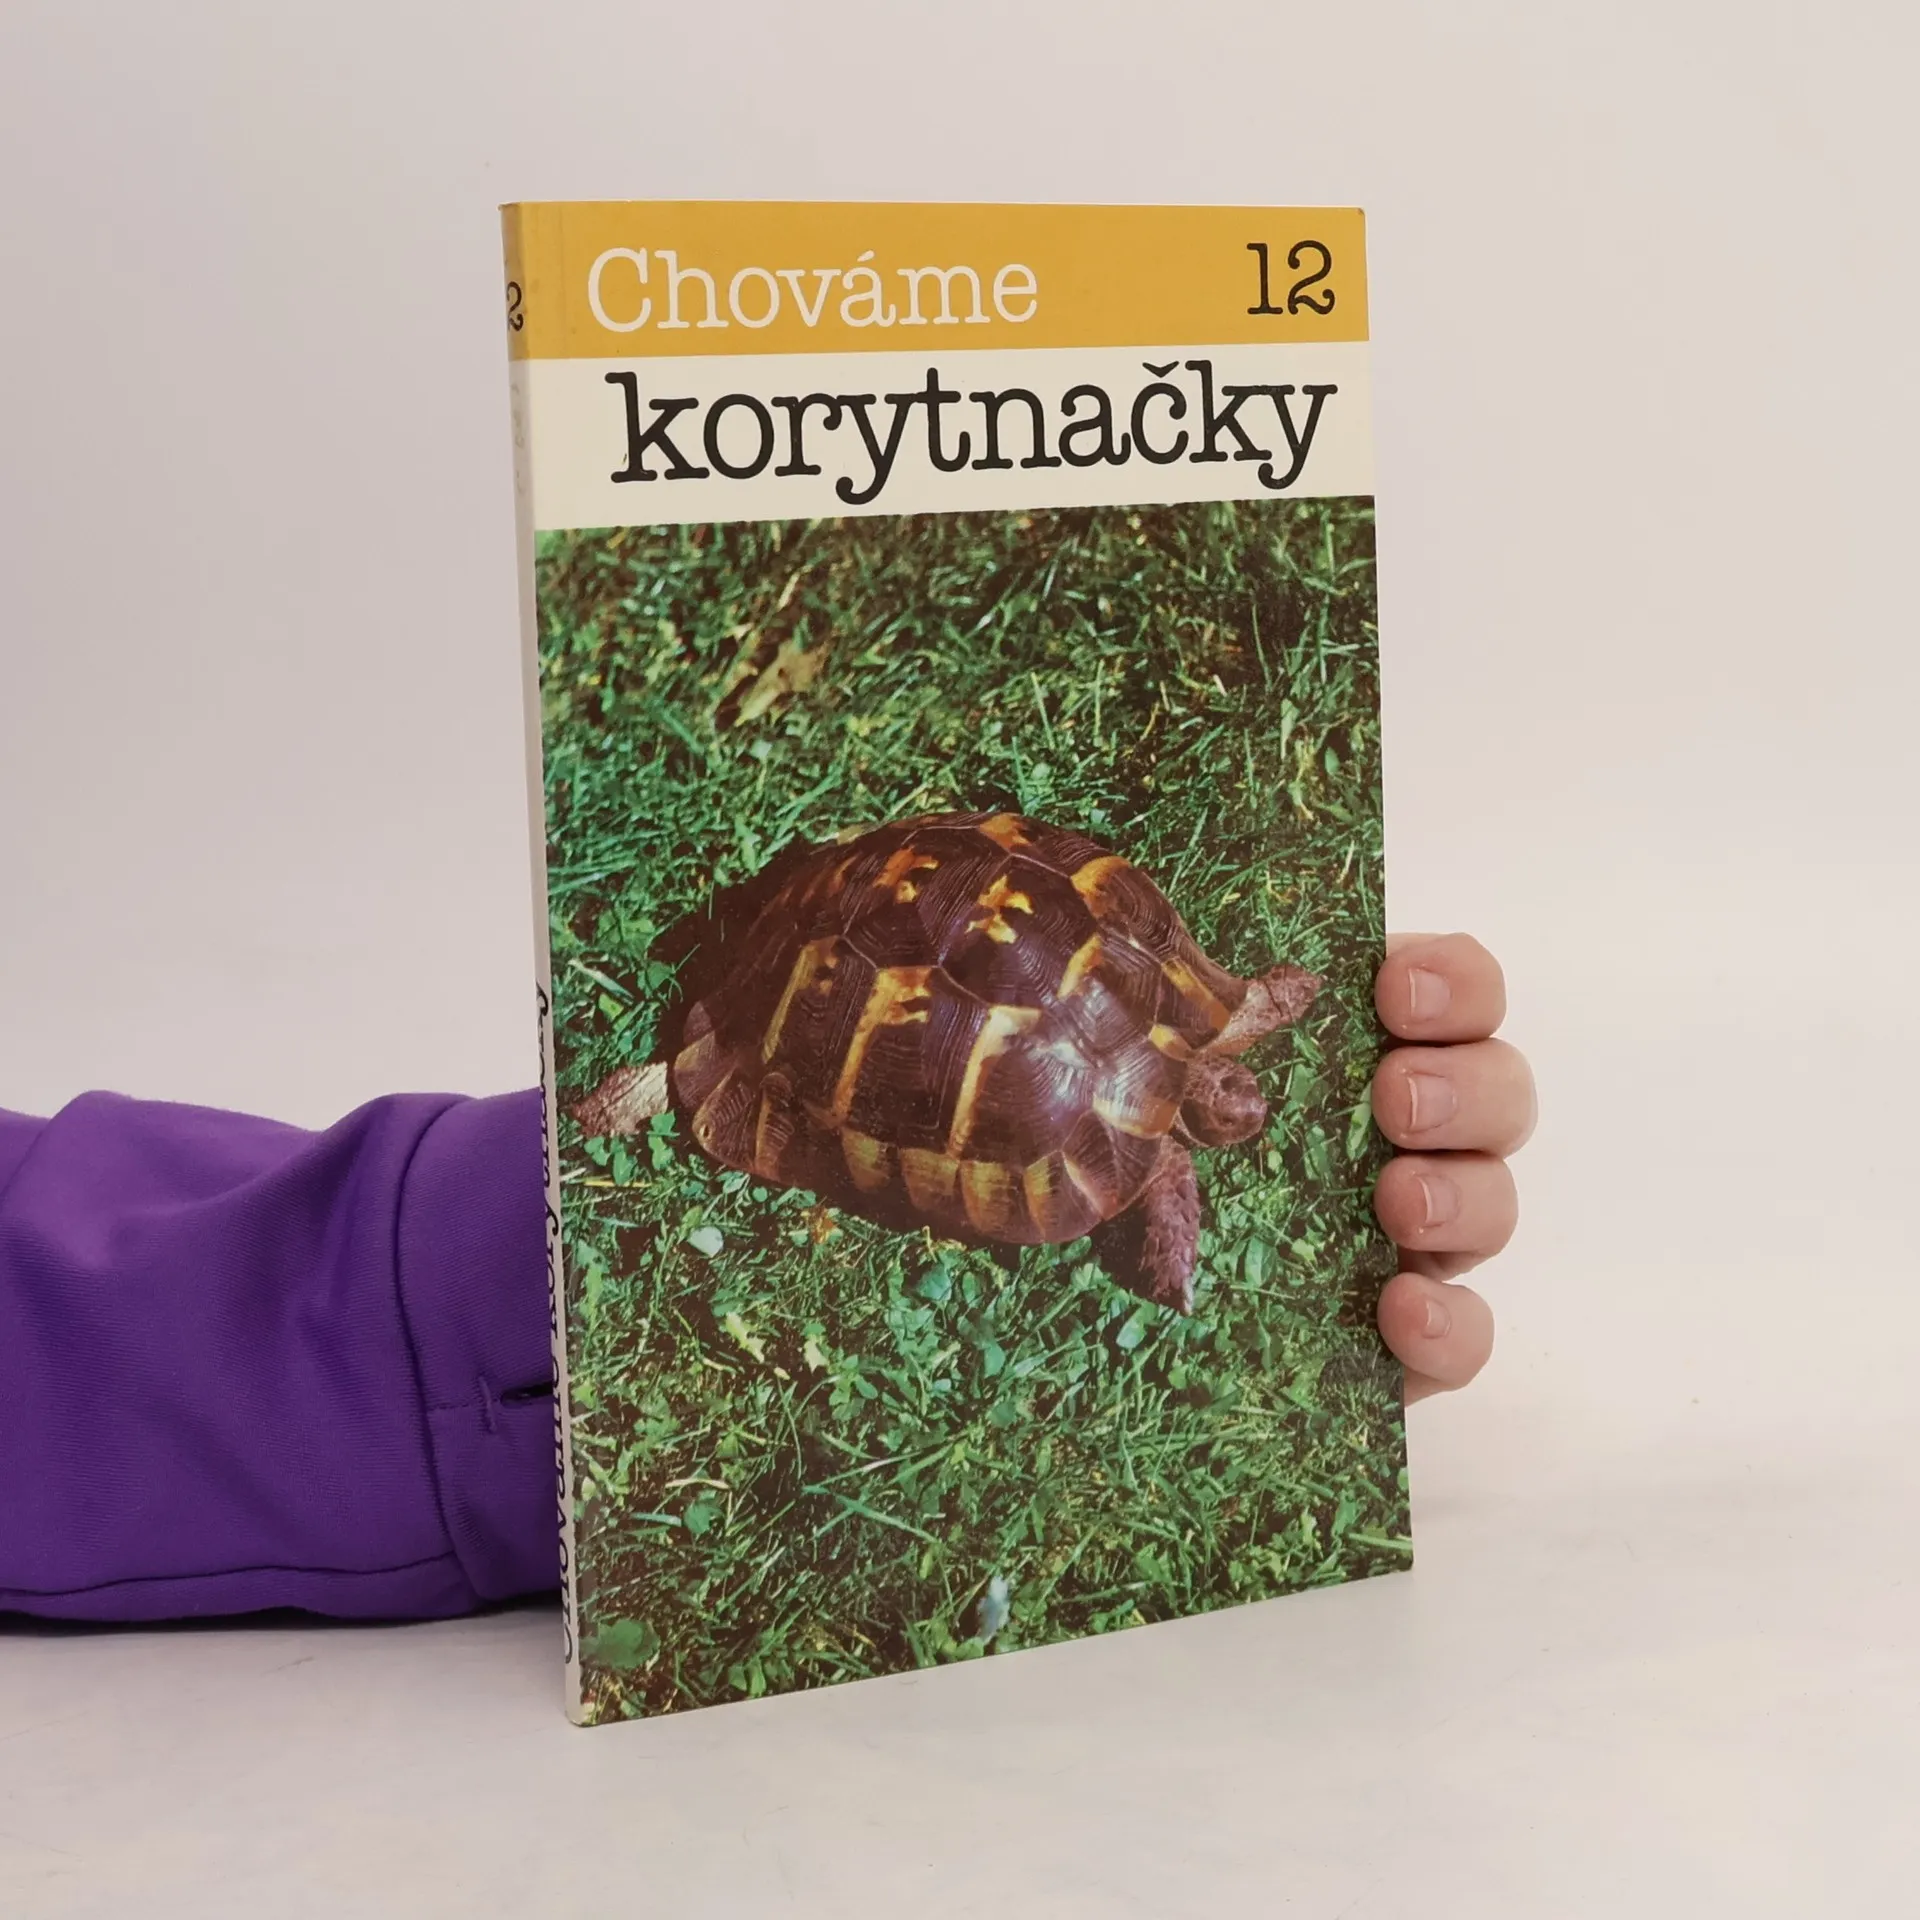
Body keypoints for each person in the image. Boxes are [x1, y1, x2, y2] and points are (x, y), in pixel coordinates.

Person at [0, 934, 1532, 1625]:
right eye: (1222, 1106)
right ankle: (687, 1078)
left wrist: (475, 1256)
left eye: (1234, 1098)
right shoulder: (1159, 1170)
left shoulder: (1202, 1038)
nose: (1232, 1113)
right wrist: (501, 1313)